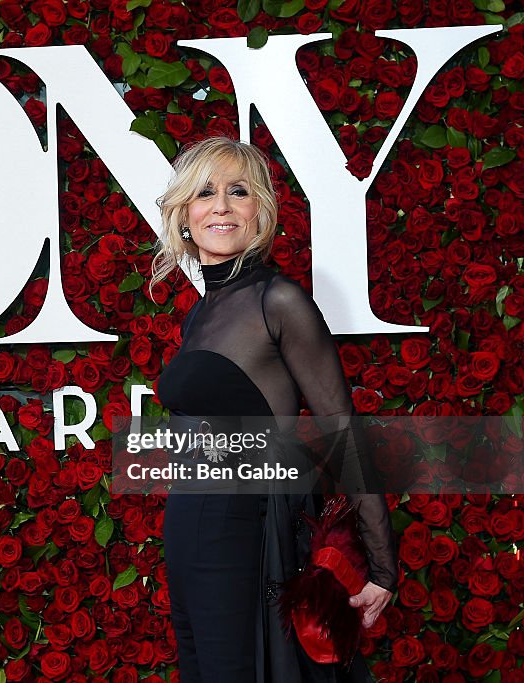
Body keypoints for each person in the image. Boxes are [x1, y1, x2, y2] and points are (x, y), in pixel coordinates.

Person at [150, 137, 399, 682]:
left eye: (237, 191)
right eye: (205, 193)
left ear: (259, 209)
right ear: (185, 215)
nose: (221, 205)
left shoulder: (278, 300)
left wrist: (381, 566)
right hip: (190, 523)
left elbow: (342, 432)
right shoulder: (202, 313)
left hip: (240, 528)